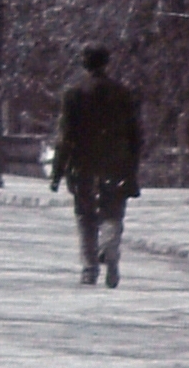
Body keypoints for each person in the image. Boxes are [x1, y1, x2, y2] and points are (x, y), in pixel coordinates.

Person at [49, 43, 144, 287]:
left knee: (85, 215)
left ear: (84, 63)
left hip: (83, 163)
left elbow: (65, 135)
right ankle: (109, 244)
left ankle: (89, 267)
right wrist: (133, 166)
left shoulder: (73, 93)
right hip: (116, 162)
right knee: (113, 211)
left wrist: (57, 171)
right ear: (106, 62)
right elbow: (135, 134)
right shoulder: (123, 93)